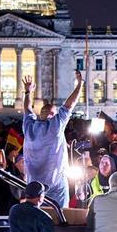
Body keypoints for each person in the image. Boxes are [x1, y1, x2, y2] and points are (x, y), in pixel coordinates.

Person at [20, 70, 83, 208]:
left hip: (34, 187)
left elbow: (27, 108)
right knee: (60, 219)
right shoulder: (55, 125)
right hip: (56, 186)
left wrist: (27, 92)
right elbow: (69, 105)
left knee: (35, 220)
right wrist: (79, 85)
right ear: (52, 115)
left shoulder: (29, 126)